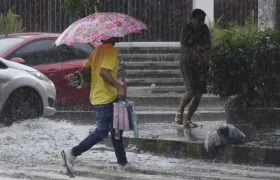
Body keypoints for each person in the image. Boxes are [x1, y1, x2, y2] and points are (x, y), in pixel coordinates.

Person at [61, 37, 128, 174]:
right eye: (117, 33)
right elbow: (103, 72)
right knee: (102, 132)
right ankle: (72, 153)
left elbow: (85, 69)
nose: (120, 36)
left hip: (98, 96)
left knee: (116, 132)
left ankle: (122, 163)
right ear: (111, 36)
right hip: (106, 98)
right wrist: (119, 86)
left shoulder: (97, 50)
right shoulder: (111, 50)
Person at [175, 9, 212, 128]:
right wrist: (196, 45)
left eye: (202, 20)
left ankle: (188, 120)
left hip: (200, 63)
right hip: (187, 62)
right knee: (191, 90)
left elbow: (209, 45)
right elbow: (184, 43)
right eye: (198, 19)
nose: (201, 22)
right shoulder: (187, 28)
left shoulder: (205, 29)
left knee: (199, 94)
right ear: (192, 19)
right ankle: (179, 113)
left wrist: (201, 48)